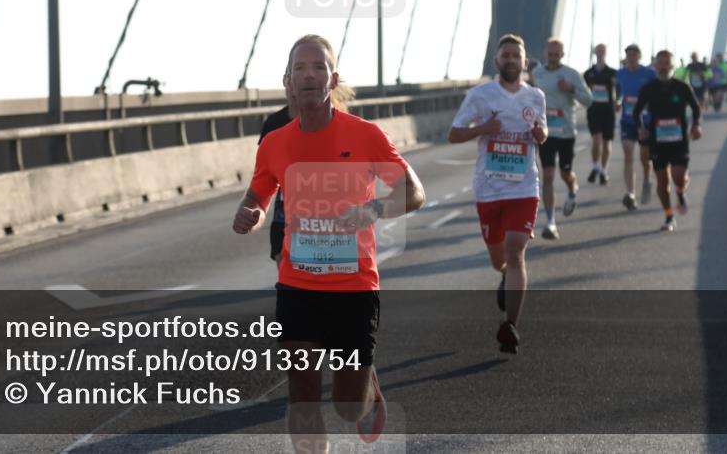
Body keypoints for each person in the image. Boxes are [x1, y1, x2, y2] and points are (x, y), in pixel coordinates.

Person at [233, 34, 425, 450]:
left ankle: (365, 382)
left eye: (318, 67)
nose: (309, 75)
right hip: (297, 284)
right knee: (301, 397)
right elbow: (258, 194)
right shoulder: (275, 143)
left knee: (348, 408)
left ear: (332, 79)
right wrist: (251, 212)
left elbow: (413, 192)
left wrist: (372, 211)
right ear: (287, 81)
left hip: (354, 287)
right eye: (300, 68)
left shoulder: (366, 136)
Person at [449, 34, 547, 353]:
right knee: (499, 258)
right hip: (489, 188)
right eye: (505, 55)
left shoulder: (535, 96)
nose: (510, 60)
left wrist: (540, 134)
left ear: (525, 62)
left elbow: (542, 132)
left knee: (516, 250)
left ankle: (510, 326)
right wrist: (482, 130)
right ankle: (505, 275)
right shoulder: (480, 96)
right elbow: (453, 134)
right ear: (497, 62)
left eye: (515, 56)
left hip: (523, 186)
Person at [258, 68, 355, 266]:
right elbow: (266, 170)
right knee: (283, 261)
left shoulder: (330, 120)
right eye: (292, 80)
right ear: (287, 82)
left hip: (323, 208)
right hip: (285, 207)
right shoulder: (274, 123)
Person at [633, 50, 702, 232]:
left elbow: (696, 108)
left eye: (667, 63)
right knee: (662, 181)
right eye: (660, 63)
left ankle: (680, 192)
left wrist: (696, 125)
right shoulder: (648, 88)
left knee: (679, 177)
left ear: (672, 66)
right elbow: (636, 111)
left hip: (679, 140)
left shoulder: (682, 86)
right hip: (657, 140)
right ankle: (669, 216)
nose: (663, 66)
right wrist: (641, 128)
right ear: (655, 65)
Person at [531, 38, 593, 240]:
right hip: (546, 132)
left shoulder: (572, 74)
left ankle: (572, 189)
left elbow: (588, 99)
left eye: (557, 54)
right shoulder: (536, 74)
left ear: (562, 55)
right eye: (550, 54)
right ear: (544, 54)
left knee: (566, 172)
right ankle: (550, 222)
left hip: (566, 131)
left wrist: (571, 89)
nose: (553, 57)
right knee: (547, 174)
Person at [616, 44, 656, 210]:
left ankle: (647, 180)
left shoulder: (649, 74)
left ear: (639, 56)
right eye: (628, 55)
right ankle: (630, 193)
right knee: (628, 155)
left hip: (645, 121)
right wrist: (618, 101)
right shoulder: (620, 73)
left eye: (634, 55)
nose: (631, 58)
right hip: (627, 120)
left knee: (644, 158)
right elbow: (617, 92)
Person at [583, 43, 620, 187]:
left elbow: (620, 90)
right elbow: (582, 90)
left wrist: (619, 101)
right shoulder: (588, 73)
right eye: (598, 51)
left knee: (606, 142)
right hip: (593, 110)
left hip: (608, 111)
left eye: (602, 51)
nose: (600, 54)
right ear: (595, 53)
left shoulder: (612, 72)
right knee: (596, 140)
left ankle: (604, 170)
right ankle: (595, 166)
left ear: (605, 53)